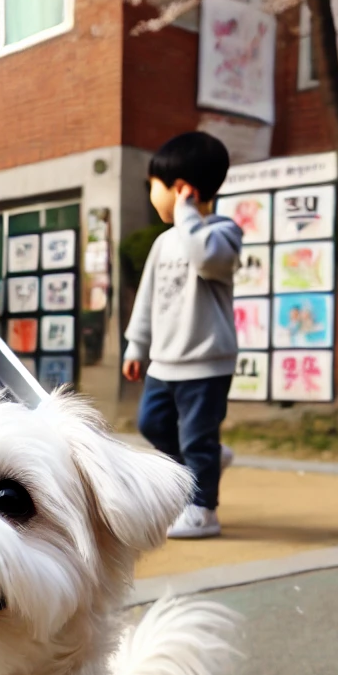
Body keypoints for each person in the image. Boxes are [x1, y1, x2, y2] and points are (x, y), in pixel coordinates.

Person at [122, 131, 242, 540]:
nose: (152, 196)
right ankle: (204, 462)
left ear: (180, 189)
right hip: (164, 361)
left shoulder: (222, 232)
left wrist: (189, 214)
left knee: (196, 437)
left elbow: (207, 261)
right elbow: (147, 300)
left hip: (206, 363)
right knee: (152, 423)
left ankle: (203, 509)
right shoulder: (163, 242)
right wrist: (136, 346)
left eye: (155, 187)